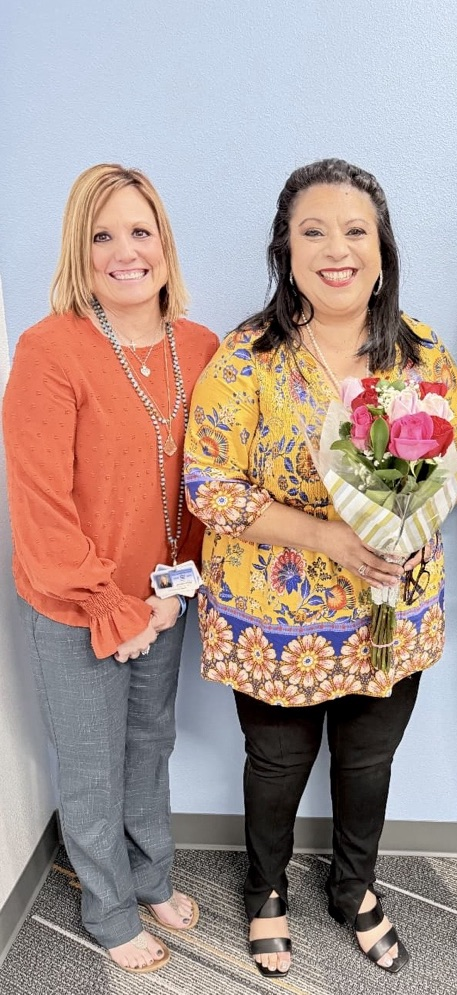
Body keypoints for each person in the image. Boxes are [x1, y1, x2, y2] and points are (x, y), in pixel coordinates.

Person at [184, 157, 457, 978]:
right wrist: (330, 537)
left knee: (367, 762)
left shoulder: (419, 351)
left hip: (393, 609)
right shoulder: (248, 357)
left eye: (355, 231)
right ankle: (265, 891)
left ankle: (354, 888)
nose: (336, 248)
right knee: (277, 764)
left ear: (382, 249)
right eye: (312, 231)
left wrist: (420, 512)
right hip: (275, 619)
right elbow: (207, 482)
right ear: (285, 248)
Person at [3, 164, 218, 973]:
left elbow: (210, 482)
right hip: (78, 604)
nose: (125, 251)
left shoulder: (200, 346)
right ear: (78, 250)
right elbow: (40, 505)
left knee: (149, 743)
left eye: (140, 230)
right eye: (102, 236)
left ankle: (152, 874)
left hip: (165, 601)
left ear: (163, 241)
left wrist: (174, 593)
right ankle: (107, 906)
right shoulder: (50, 347)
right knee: (91, 758)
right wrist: (111, 603)